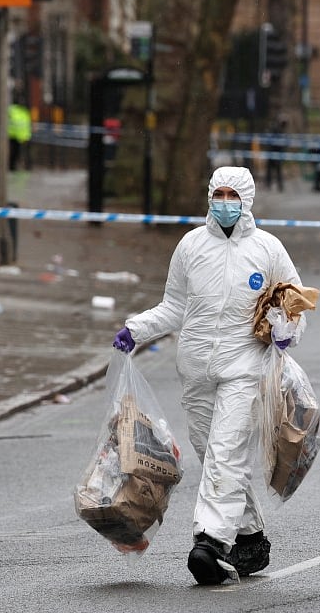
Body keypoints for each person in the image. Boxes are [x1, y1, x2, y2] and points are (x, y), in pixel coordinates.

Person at [111, 166, 307, 585]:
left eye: (232, 195)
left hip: (245, 366)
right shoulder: (190, 246)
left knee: (225, 451)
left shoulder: (269, 249)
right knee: (214, 453)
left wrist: (284, 329)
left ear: (247, 200)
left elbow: (295, 307)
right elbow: (174, 306)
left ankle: (210, 541)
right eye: (217, 193)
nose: (224, 202)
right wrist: (137, 329)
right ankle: (250, 536)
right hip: (196, 369)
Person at [264, 118, 286, 191]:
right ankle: (270, 184)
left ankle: (277, 185)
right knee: (272, 170)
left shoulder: (280, 131)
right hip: (273, 152)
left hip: (276, 153)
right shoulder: (277, 130)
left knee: (276, 171)